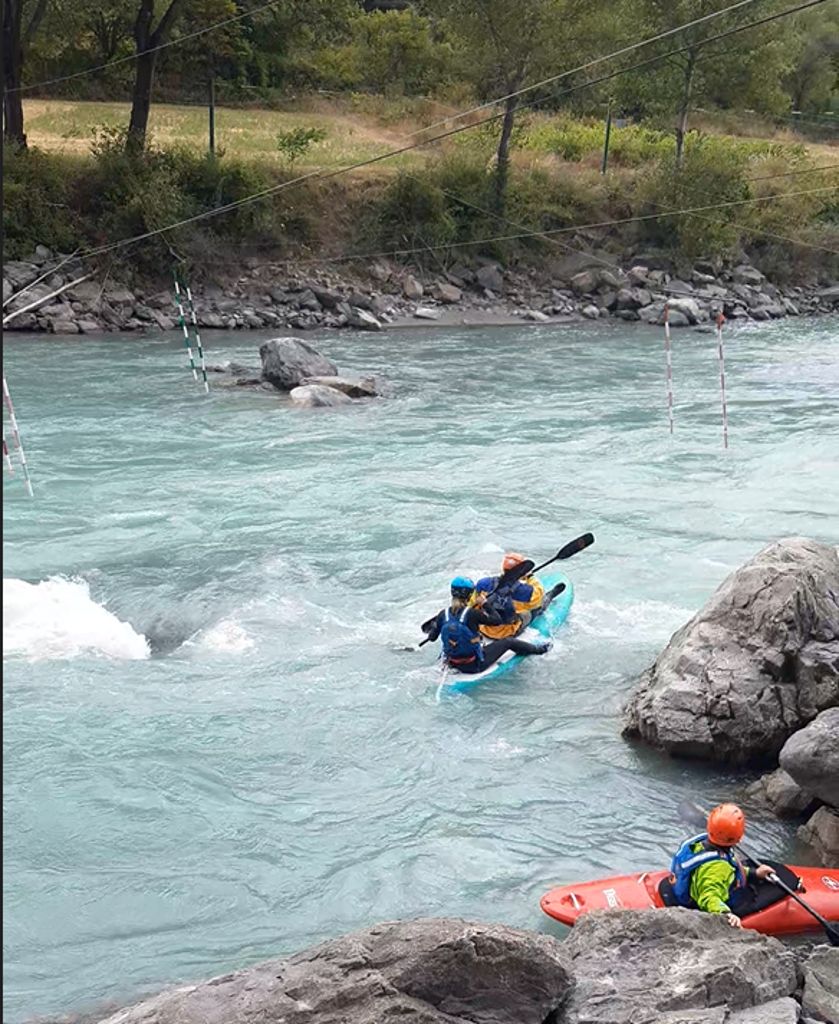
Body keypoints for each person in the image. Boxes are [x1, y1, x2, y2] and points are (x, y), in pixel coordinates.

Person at [668, 803, 775, 928]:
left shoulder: (699, 842)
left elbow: (729, 872)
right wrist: (725, 913)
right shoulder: (718, 867)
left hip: (689, 887)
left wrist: (754, 873)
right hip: (712, 899)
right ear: (738, 836)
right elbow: (709, 895)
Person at [423, 576, 551, 674]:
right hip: (475, 664)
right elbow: (497, 620)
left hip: (451, 661)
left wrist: (436, 627)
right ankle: (540, 650)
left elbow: (433, 637)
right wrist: (485, 604)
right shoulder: (472, 613)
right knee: (509, 642)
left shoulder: (442, 614)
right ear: (470, 595)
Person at [475, 552, 566, 640]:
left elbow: (474, 602)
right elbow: (538, 597)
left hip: (483, 628)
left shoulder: (483, 583)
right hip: (507, 632)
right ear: (522, 571)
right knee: (537, 606)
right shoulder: (526, 591)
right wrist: (529, 577)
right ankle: (549, 597)